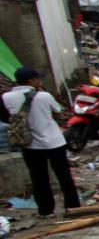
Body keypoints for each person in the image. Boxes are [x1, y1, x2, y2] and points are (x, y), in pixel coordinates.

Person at [3, 68, 81, 216]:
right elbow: (57, 111)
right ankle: (72, 207)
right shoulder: (43, 96)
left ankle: (45, 210)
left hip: (29, 144)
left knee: (38, 178)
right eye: (37, 79)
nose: (40, 81)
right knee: (64, 176)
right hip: (53, 142)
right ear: (30, 81)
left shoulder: (7, 97)